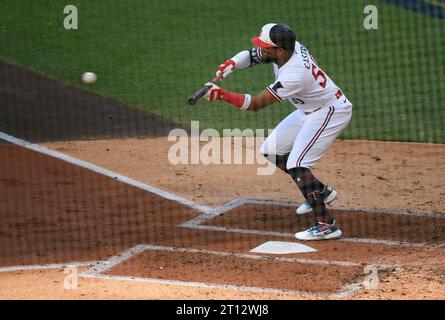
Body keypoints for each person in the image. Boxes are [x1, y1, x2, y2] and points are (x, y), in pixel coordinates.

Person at [203, 23, 352, 240]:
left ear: (279, 50)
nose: (260, 49)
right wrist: (232, 63)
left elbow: (256, 104)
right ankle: (321, 191)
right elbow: (253, 55)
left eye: (266, 47)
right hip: (307, 110)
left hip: (329, 112)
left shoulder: (295, 74)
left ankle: (326, 224)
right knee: (271, 150)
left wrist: (222, 95)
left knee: (297, 164)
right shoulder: (288, 48)